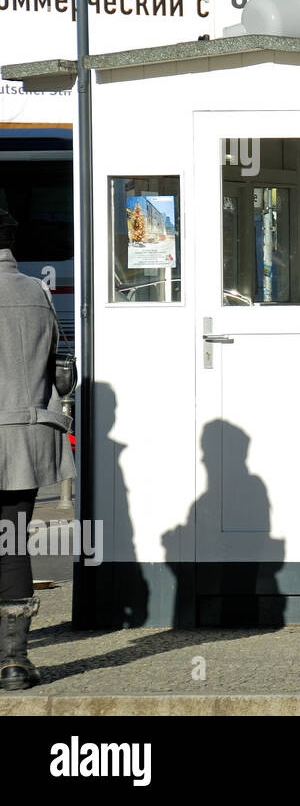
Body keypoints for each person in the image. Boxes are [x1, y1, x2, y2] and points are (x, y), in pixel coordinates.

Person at [0, 209, 75, 689]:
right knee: (11, 545)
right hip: (21, 444)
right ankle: (13, 662)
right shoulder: (35, 293)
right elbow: (60, 370)